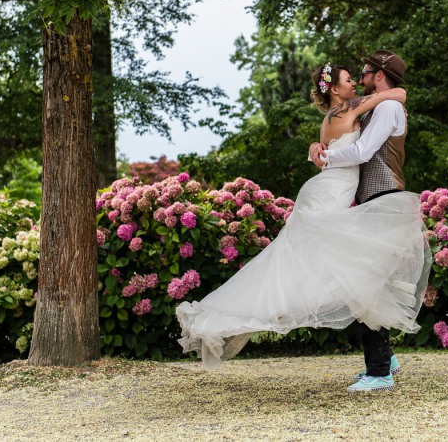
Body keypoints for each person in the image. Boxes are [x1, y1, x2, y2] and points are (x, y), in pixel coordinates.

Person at [176, 58, 431, 393]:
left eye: (360, 76)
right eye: (349, 79)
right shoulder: (353, 107)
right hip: (331, 194)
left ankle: (383, 362)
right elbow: (398, 93)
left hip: (325, 192)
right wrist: (326, 156)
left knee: (344, 275)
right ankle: (381, 366)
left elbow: (372, 119)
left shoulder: (331, 117)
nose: (356, 82)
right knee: (345, 276)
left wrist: (319, 153)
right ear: (336, 89)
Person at [308, 49, 421, 392]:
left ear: (380, 75)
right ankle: (385, 360)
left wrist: (326, 158)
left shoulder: (386, 107)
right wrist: (317, 144)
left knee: (365, 285)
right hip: (367, 200)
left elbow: (361, 152)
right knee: (354, 284)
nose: (360, 78)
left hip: (384, 198)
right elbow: (341, 130)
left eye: (366, 72)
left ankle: (380, 372)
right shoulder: (373, 105)